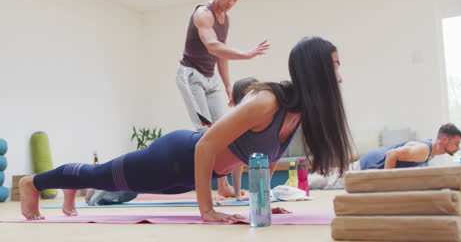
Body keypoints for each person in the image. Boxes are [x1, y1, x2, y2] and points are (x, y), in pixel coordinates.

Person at [19, 36, 353, 222]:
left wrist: (261, 204)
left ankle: (69, 185)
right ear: (315, 69)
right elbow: (206, 146)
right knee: (100, 175)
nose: (339, 76)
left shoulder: (298, 114)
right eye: (334, 66)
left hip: (189, 175)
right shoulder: (267, 102)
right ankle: (33, 183)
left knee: (98, 176)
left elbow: (259, 160)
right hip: (176, 156)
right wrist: (206, 212)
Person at [84, 77, 260, 206]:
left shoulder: (250, 125)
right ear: (238, 102)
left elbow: (238, 161)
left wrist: (237, 194)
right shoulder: (234, 122)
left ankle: (105, 188)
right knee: (140, 176)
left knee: (140, 184)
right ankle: (98, 183)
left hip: (184, 174)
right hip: (176, 158)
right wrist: (215, 195)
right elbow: (214, 155)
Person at [176, 0, 269, 198]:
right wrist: (246, 54)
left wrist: (228, 85)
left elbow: (221, 53)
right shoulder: (203, 14)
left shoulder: (225, 19)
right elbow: (212, 45)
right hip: (191, 76)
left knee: (226, 130)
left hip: (211, 79)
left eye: (235, 0)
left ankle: (224, 186)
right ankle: (205, 189)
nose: (230, 3)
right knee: (205, 132)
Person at [305, 123, 461, 189]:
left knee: (331, 175)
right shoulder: (424, 151)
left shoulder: (427, 150)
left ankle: (298, 183)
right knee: (329, 181)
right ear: (444, 140)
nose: (458, 148)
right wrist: (386, 186)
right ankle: (294, 186)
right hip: (369, 165)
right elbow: (392, 154)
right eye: (456, 143)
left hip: (370, 161)